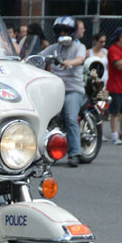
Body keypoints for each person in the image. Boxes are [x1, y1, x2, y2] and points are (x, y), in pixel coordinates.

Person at [37, 14, 87, 166]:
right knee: (41, 116)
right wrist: (27, 60)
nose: (62, 34)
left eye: (65, 31)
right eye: (59, 31)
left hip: (73, 89)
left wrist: (70, 62)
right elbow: (39, 56)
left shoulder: (79, 47)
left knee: (70, 117)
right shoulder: (54, 48)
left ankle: (75, 153)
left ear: (71, 32)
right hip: (54, 89)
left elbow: (81, 59)